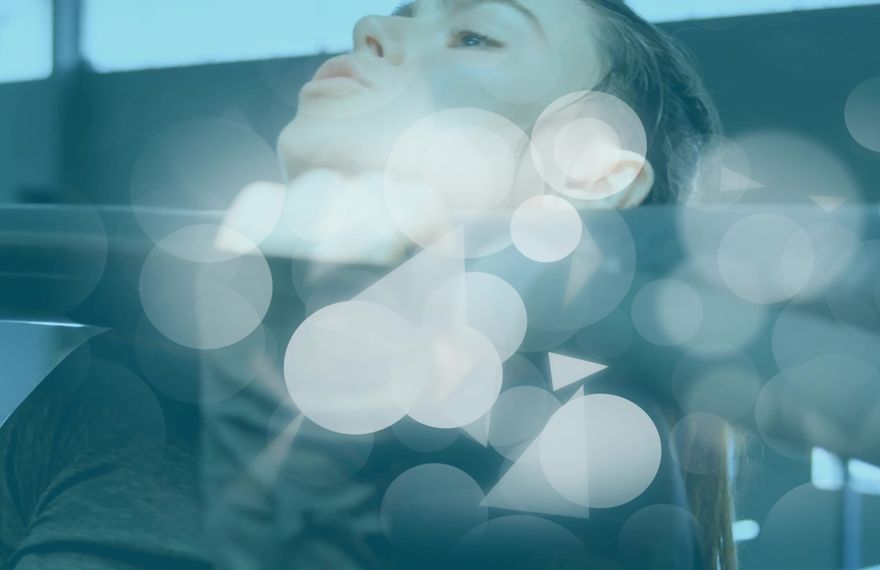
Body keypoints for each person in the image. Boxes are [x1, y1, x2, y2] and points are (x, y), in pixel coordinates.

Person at [2, 0, 734, 568]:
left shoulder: (585, 449)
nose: (371, 26)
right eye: (401, 15)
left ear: (589, 169)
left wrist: (292, 304)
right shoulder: (121, 380)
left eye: (475, 36)